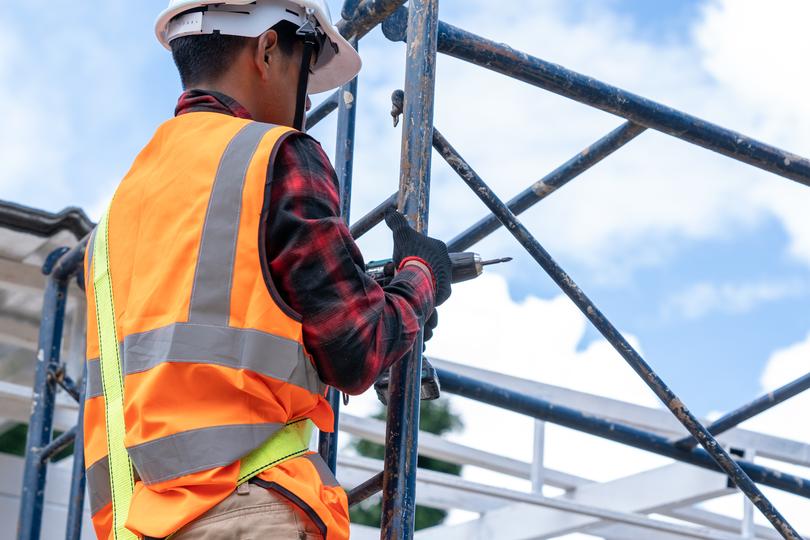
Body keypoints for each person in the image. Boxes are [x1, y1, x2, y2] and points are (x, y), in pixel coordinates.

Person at [81, 1, 452, 539]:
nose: (305, 100)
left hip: (137, 526)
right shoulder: (274, 155)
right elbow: (357, 346)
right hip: (245, 512)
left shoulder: (118, 214)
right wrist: (421, 278)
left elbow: (218, 326)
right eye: (306, 71)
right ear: (268, 49)